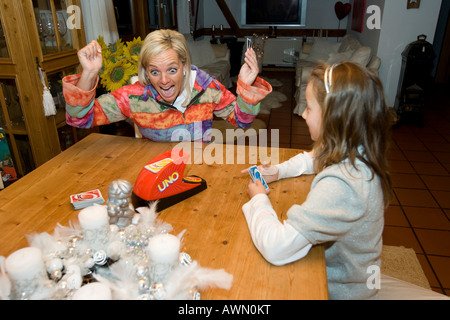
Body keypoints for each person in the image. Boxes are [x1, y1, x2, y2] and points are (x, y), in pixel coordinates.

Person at [242, 62, 393, 300]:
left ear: (334, 117)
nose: (303, 114)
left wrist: (259, 199)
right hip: (347, 276)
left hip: (340, 291)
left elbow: (276, 247)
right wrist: (279, 171)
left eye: (309, 108)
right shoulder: (355, 148)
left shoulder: (344, 185)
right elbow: (312, 157)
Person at [62, 29, 272, 142]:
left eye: (171, 70)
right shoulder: (134, 97)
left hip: (200, 169)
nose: (164, 81)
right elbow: (80, 119)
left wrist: (245, 86)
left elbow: (242, 122)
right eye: (155, 72)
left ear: (184, 66)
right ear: (145, 71)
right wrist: (89, 73)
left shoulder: (208, 88)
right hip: (154, 173)